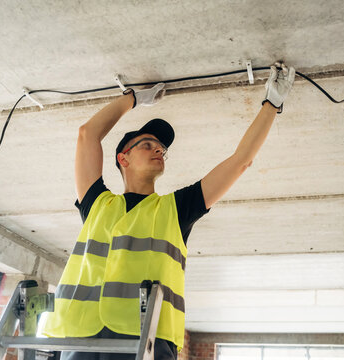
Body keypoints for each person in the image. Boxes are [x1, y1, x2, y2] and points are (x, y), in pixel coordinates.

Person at [42, 63, 296, 359]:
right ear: (123, 158)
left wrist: (272, 104)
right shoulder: (97, 202)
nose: (159, 151)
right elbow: (87, 134)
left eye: (162, 149)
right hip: (81, 337)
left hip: (149, 341)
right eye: (148, 144)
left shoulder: (175, 209)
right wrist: (134, 98)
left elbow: (240, 161)